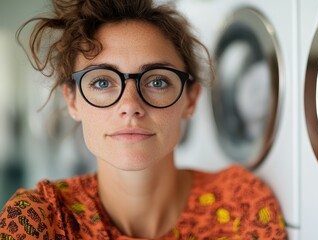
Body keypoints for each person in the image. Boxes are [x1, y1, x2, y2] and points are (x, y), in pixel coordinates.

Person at [0, 0, 288, 239]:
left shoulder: (243, 204)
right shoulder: (38, 220)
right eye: (102, 82)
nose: (130, 106)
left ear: (191, 99)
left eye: (157, 82)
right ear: (73, 101)